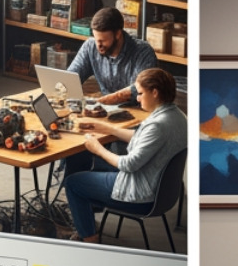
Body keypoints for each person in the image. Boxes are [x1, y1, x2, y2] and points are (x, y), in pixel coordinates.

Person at [65, 67, 186, 245]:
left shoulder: (158, 125)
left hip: (141, 195)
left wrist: (98, 148)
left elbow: (128, 164)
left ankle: (89, 239)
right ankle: (88, 218)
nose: (137, 98)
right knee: (94, 165)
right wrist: (107, 129)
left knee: (73, 183)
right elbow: (143, 138)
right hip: (161, 190)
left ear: (155, 92)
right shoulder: (177, 116)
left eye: (140, 93)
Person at [62, 7, 159, 106]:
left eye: (102, 41)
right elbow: (71, 77)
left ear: (117, 34)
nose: (98, 45)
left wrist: (106, 100)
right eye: (96, 39)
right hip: (107, 109)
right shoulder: (90, 46)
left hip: (138, 109)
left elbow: (143, 88)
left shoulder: (143, 52)